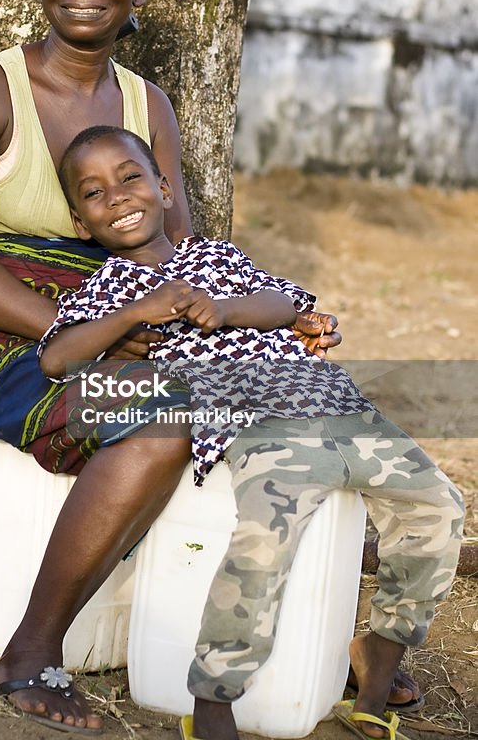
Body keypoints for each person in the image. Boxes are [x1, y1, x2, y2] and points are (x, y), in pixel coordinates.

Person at [38, 125, 465, 740]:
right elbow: (56, 360)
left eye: (130, 178)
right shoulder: (106, 291)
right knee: (264, 544)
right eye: (95, 193)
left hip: (334, 404)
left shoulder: (216, 259)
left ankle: (380, 657)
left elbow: (287, 306)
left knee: (440, 511)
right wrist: (136, 313)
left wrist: (227, 310)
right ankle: (213, 699)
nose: (119, 197)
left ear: (162, 189)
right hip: (255, 424)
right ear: (81, 222)